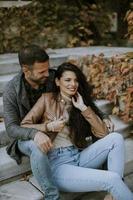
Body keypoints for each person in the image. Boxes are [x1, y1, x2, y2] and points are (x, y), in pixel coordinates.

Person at [21, 62, 133, 200]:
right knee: (113, 179)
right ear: (57, 82)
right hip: (59, 166)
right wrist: (48, 126)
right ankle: (116, 190)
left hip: (79, 156)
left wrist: (83, 108)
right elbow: (24, 126)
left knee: (116, 138)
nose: (73, 84)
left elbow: (103, 133)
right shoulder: (46, 99)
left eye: (75, 80)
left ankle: (113, 196)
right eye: (67, 80)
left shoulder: (78, 101)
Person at [3, 44, 60, 200]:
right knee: (38, 148)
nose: (47, 74)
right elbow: (11, 128)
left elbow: (80, 95)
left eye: (48, 69)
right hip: (27, 137)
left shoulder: (53, 77)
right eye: (42, 71)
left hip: (56, 130)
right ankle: (52, 197)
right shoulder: (11, 90)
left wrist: (102, 116)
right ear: (25, 70)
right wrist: (34, 134)